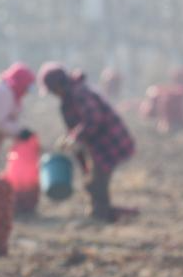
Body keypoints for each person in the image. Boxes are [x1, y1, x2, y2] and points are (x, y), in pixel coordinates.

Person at [38, 62, 136, 222]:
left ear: (58, 86)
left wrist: (75, 138)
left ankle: (100, 216)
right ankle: (102, 212)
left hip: (108, 143)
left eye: (52, 90)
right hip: (97, 144)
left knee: (96, 181)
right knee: (93, 181)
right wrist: (71, 138)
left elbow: (94, 119)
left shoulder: (79, 93)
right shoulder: (70, 95)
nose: (53, 94)